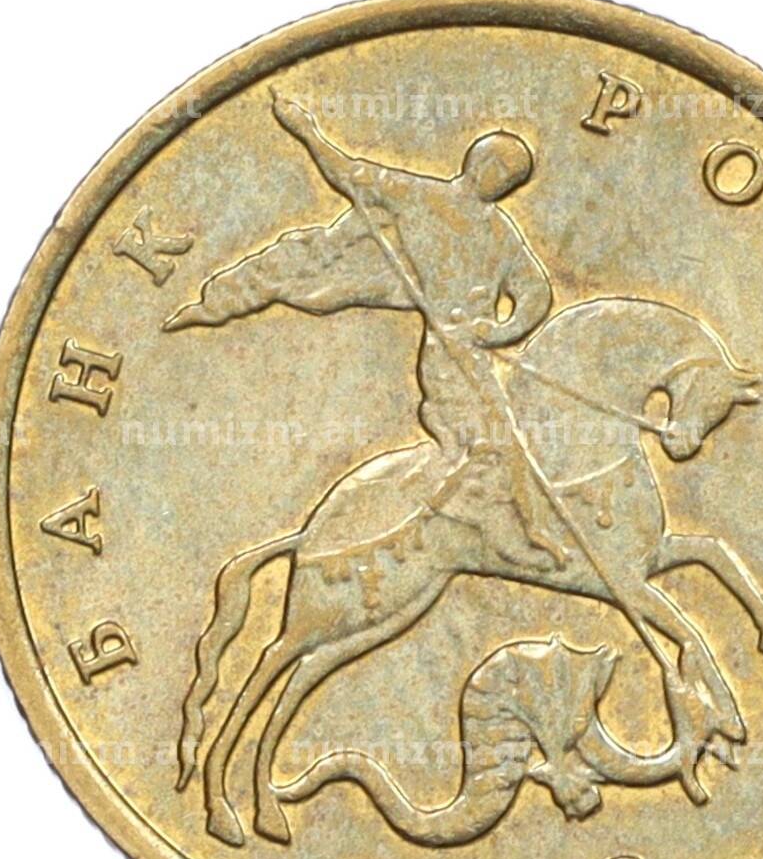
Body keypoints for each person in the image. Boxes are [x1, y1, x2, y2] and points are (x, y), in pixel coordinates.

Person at [165, 95, 569, 567]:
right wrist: (307, 131)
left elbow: (535, 290)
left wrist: (498, 331)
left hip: (472, 349)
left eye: (512, 178)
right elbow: (349, 173)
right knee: (485, 439)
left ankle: (526, 526)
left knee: (508, 437)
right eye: (500, 168)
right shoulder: (420, 196)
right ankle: (483, 527)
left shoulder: (500, 232)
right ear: (478, 161)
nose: (502, 181)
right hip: (445, 352)